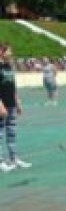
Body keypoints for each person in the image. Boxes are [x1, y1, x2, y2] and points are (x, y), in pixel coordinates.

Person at [0, 44, 30, 172]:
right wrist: (0, 106)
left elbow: (13, 86)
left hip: (11, 104)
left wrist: (18, 102)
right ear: (1, 52)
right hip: (2, 105)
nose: (11, 53)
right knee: (0, 133)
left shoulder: (9, 66)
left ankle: (14, 158)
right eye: (9, 51)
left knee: (11, 133)